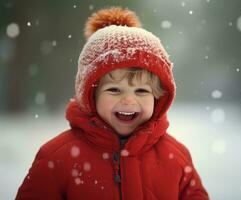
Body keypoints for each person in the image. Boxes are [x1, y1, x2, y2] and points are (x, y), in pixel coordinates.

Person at [16, 7, 209, 200]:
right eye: (114, 90)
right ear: (91, 96)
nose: (128, 100)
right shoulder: (58, 156)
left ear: (157, 98)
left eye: (141, 91)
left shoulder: (175, 156)